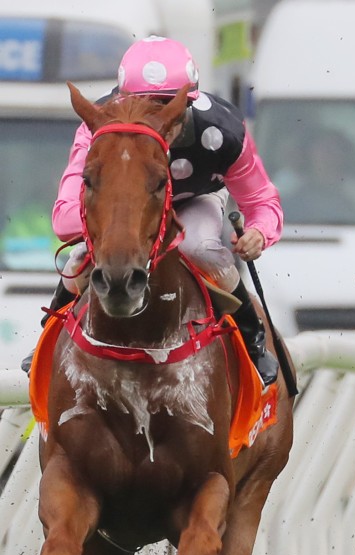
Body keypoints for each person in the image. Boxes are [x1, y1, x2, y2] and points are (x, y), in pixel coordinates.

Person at [33, 36, 283, 385]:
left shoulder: (223, 132)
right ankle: (49, 333)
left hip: (194, 198)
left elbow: (262, 202)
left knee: (197, 246)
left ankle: (254, 339)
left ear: (189, 104)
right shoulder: (98, 129)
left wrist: (259, 232)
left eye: (168, 107)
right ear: (123, 101)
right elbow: (64, 220)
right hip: (126, 207)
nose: (158, 118)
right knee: (81, 258)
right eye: (144, 104)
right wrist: (117, 223)